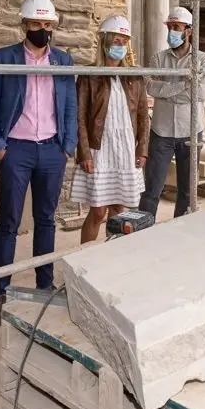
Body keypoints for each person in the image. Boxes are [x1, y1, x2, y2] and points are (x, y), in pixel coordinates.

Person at [0, 0, 77, 325]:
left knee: (47, 220)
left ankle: (44, 286)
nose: (42, 30)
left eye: (48, 25)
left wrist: (68, 146)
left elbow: (70, 106)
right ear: (24, 25)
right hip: (16, 149)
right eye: (36, 24)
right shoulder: (3, 57)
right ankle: (2, 292)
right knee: (9, 221)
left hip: (51, 149)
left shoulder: (63, 61)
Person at [70, 15, 149, 243]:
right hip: (99, 149)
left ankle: (112, 257)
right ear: (104, 42)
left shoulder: (134, 76)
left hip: (125, 148)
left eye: (124, 42)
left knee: (119, 208)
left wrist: (142, 148)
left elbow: (144, 115)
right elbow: (80, 117)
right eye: (116, 42)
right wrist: (84, 152)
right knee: (97, 211)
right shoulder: (89, 75)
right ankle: (86, 260)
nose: (120, 47)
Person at [138, 6, 205, 218]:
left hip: (191, 133)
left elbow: (199, 93)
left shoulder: (202, 59)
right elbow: (151, 87)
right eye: (170, 27)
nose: (172, 31)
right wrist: (184, 84)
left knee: (187, 191)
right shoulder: (158, 59)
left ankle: (180, 232)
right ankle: (144, 230)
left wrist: (167, 90)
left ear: (188, 30)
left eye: (176, 27)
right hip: (161, 133)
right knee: (152, 189)